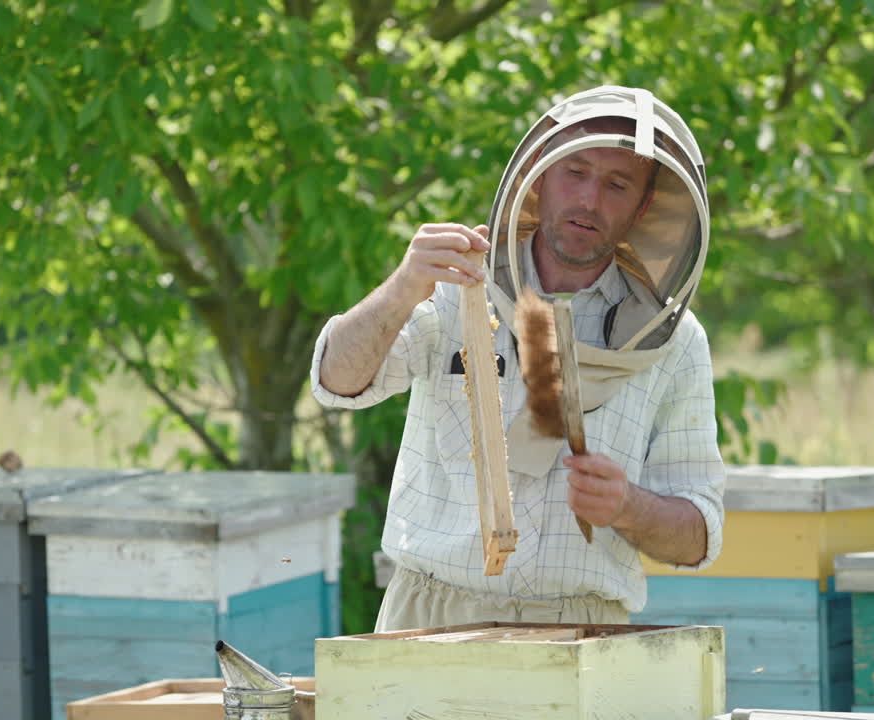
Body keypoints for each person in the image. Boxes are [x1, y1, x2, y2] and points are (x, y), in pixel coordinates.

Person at [310, 86, 725, 632]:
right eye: (575, 172)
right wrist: (403, 285)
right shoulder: (454, 285)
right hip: (430, 616)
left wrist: (628, 506)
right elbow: (337, 381)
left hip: (580, 628)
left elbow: (697, 536)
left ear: (645, 207)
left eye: (617, 185)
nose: (589, 201)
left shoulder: (673, 340)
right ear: (539, 174)